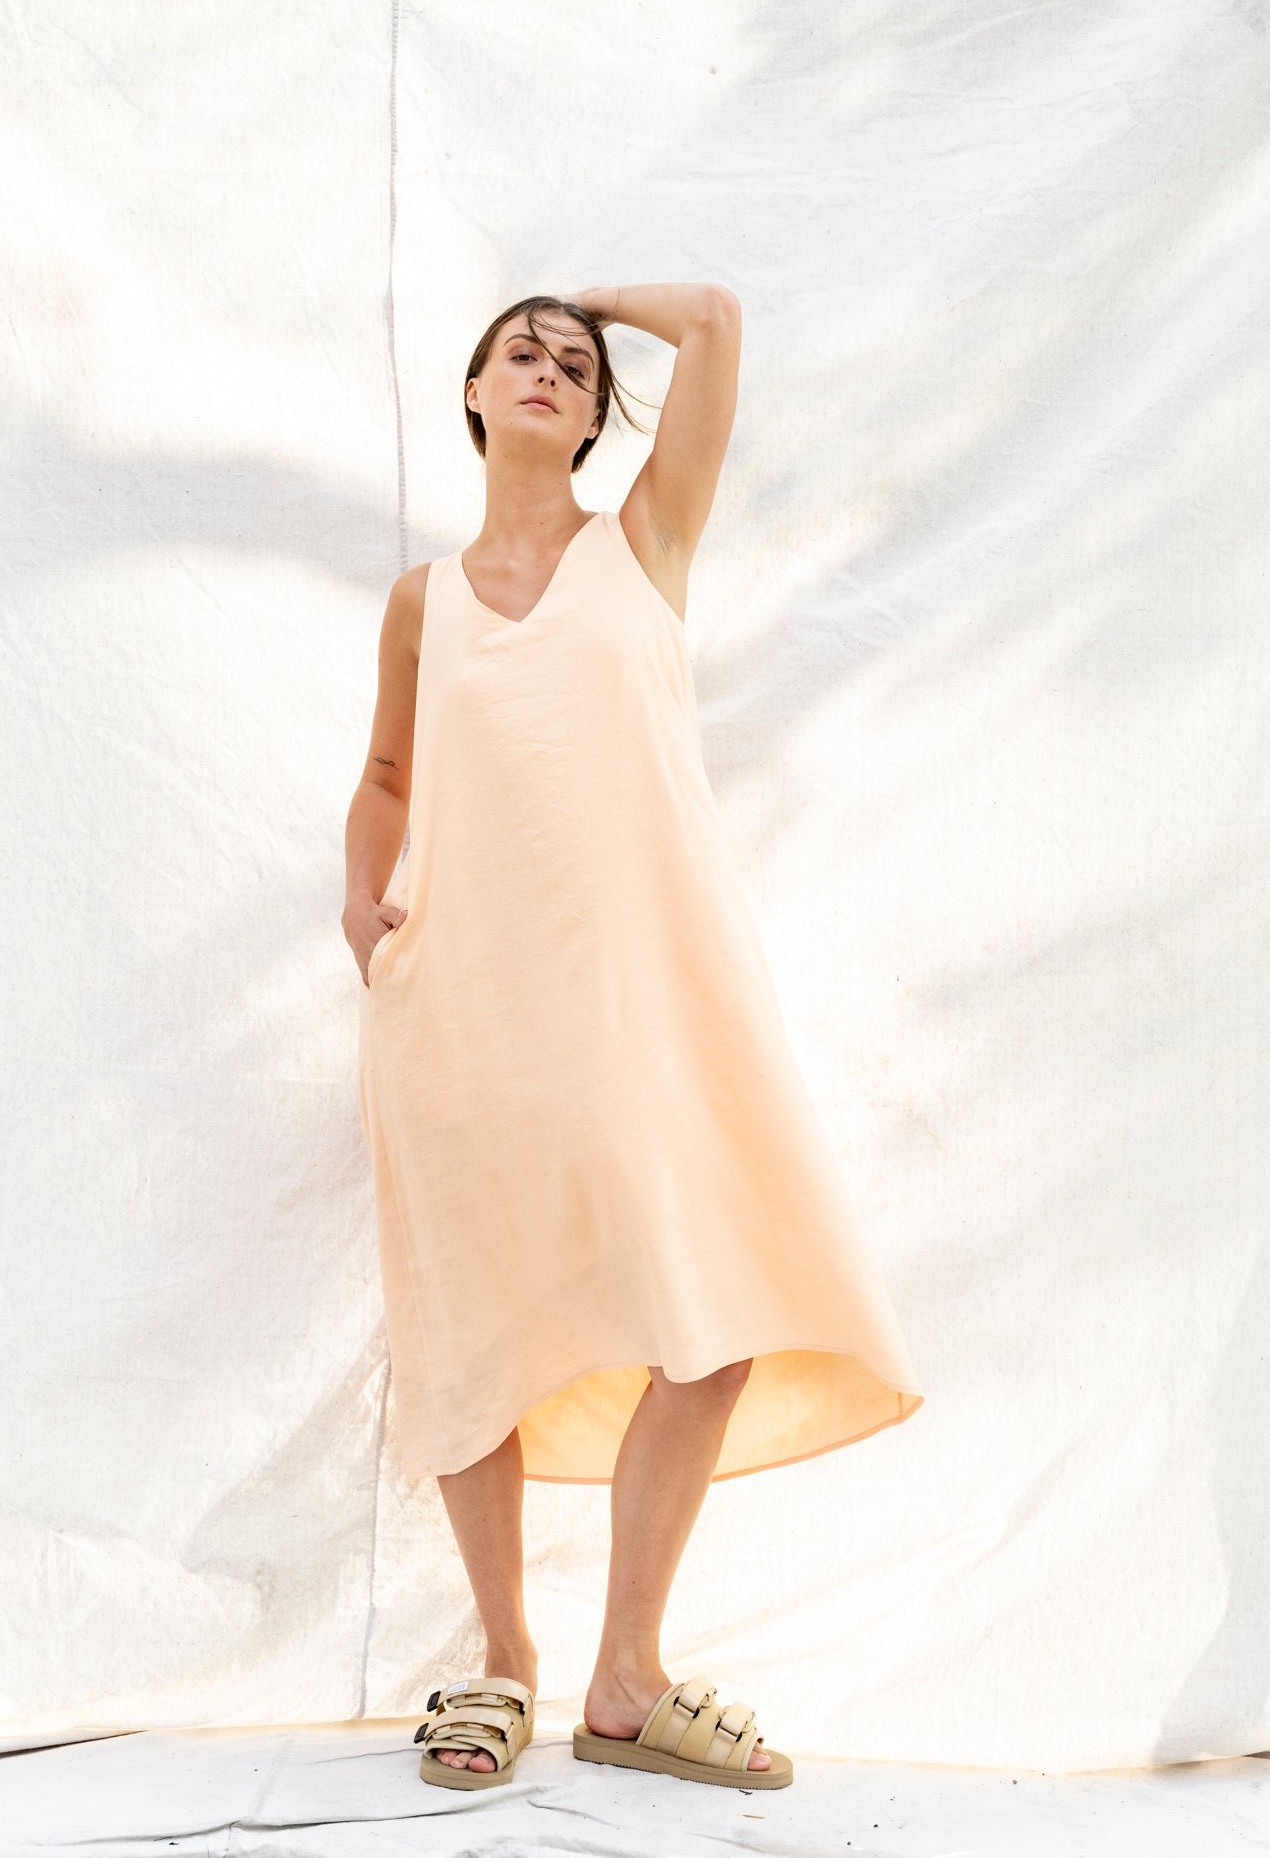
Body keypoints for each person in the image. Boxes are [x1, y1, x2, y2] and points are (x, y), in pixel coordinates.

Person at [342, 284, 924, 1793]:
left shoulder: (644, 543)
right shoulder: (421, 601)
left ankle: (626, 1673)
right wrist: (363, 902)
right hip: (462, 1008)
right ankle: (504, 1661)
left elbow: (718, 322)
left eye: (575, 363)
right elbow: (388, 774)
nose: (547, 367)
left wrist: (583, 299)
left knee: (711, 1312)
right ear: (475, 395)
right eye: (518, 352)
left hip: (646, 1000)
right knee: (470, 1328)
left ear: (601, 414)